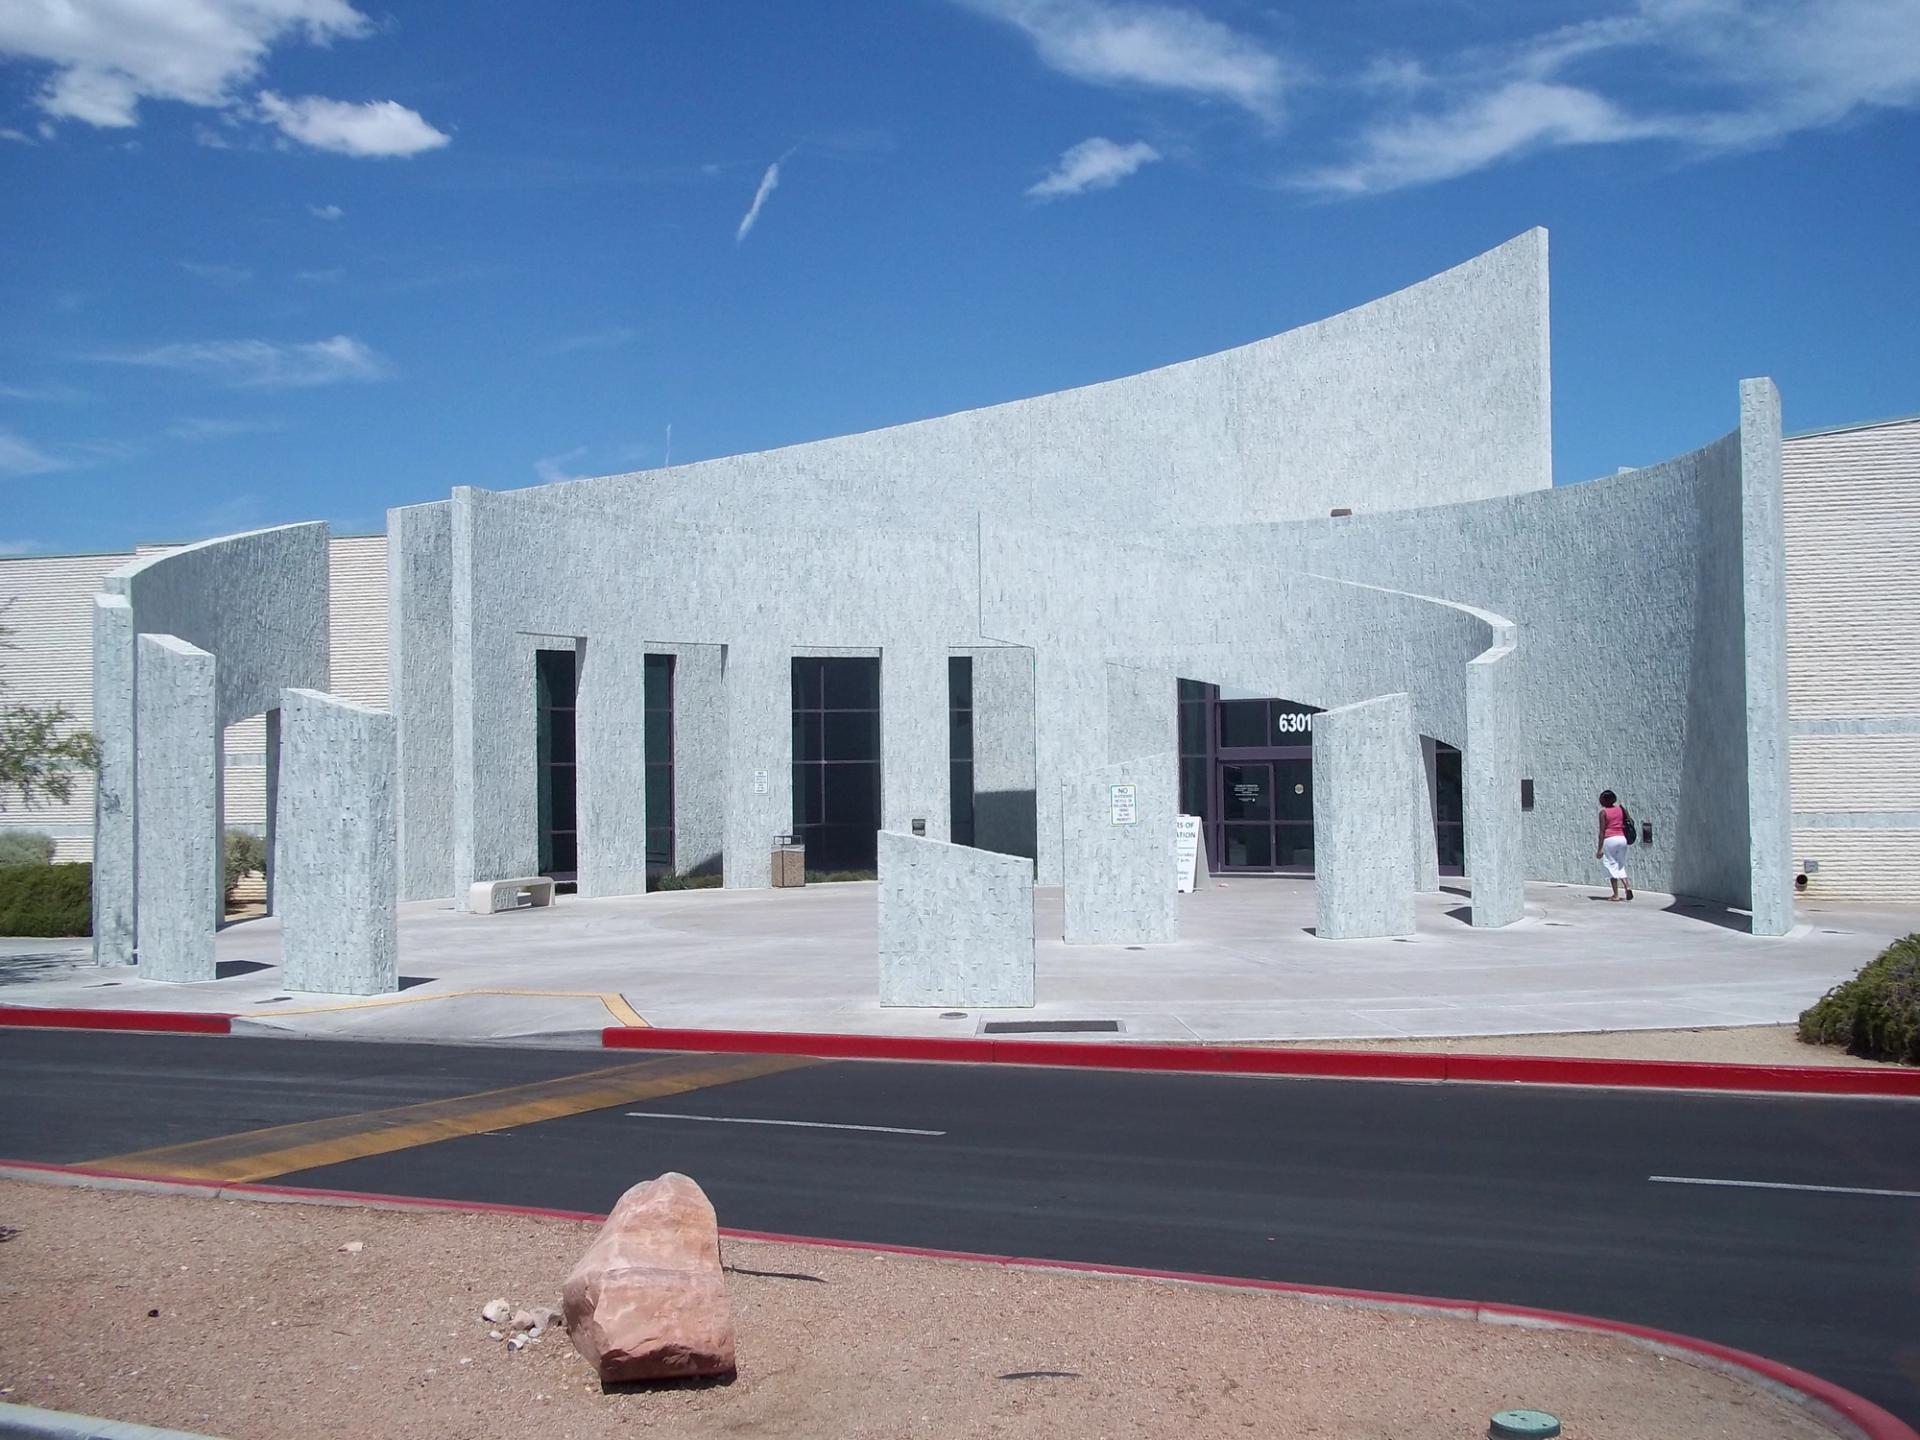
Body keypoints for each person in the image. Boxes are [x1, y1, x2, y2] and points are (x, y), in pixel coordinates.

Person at [1596, 789, 1633, 901]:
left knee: (1611, 865)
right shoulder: (1621, 809)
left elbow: (1602, 831)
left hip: (1610, 839)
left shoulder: (1603, 812)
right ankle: (1627, 886)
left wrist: (1600, 848)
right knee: (1620, 864)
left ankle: (1616, 894)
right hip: (1622, 839)